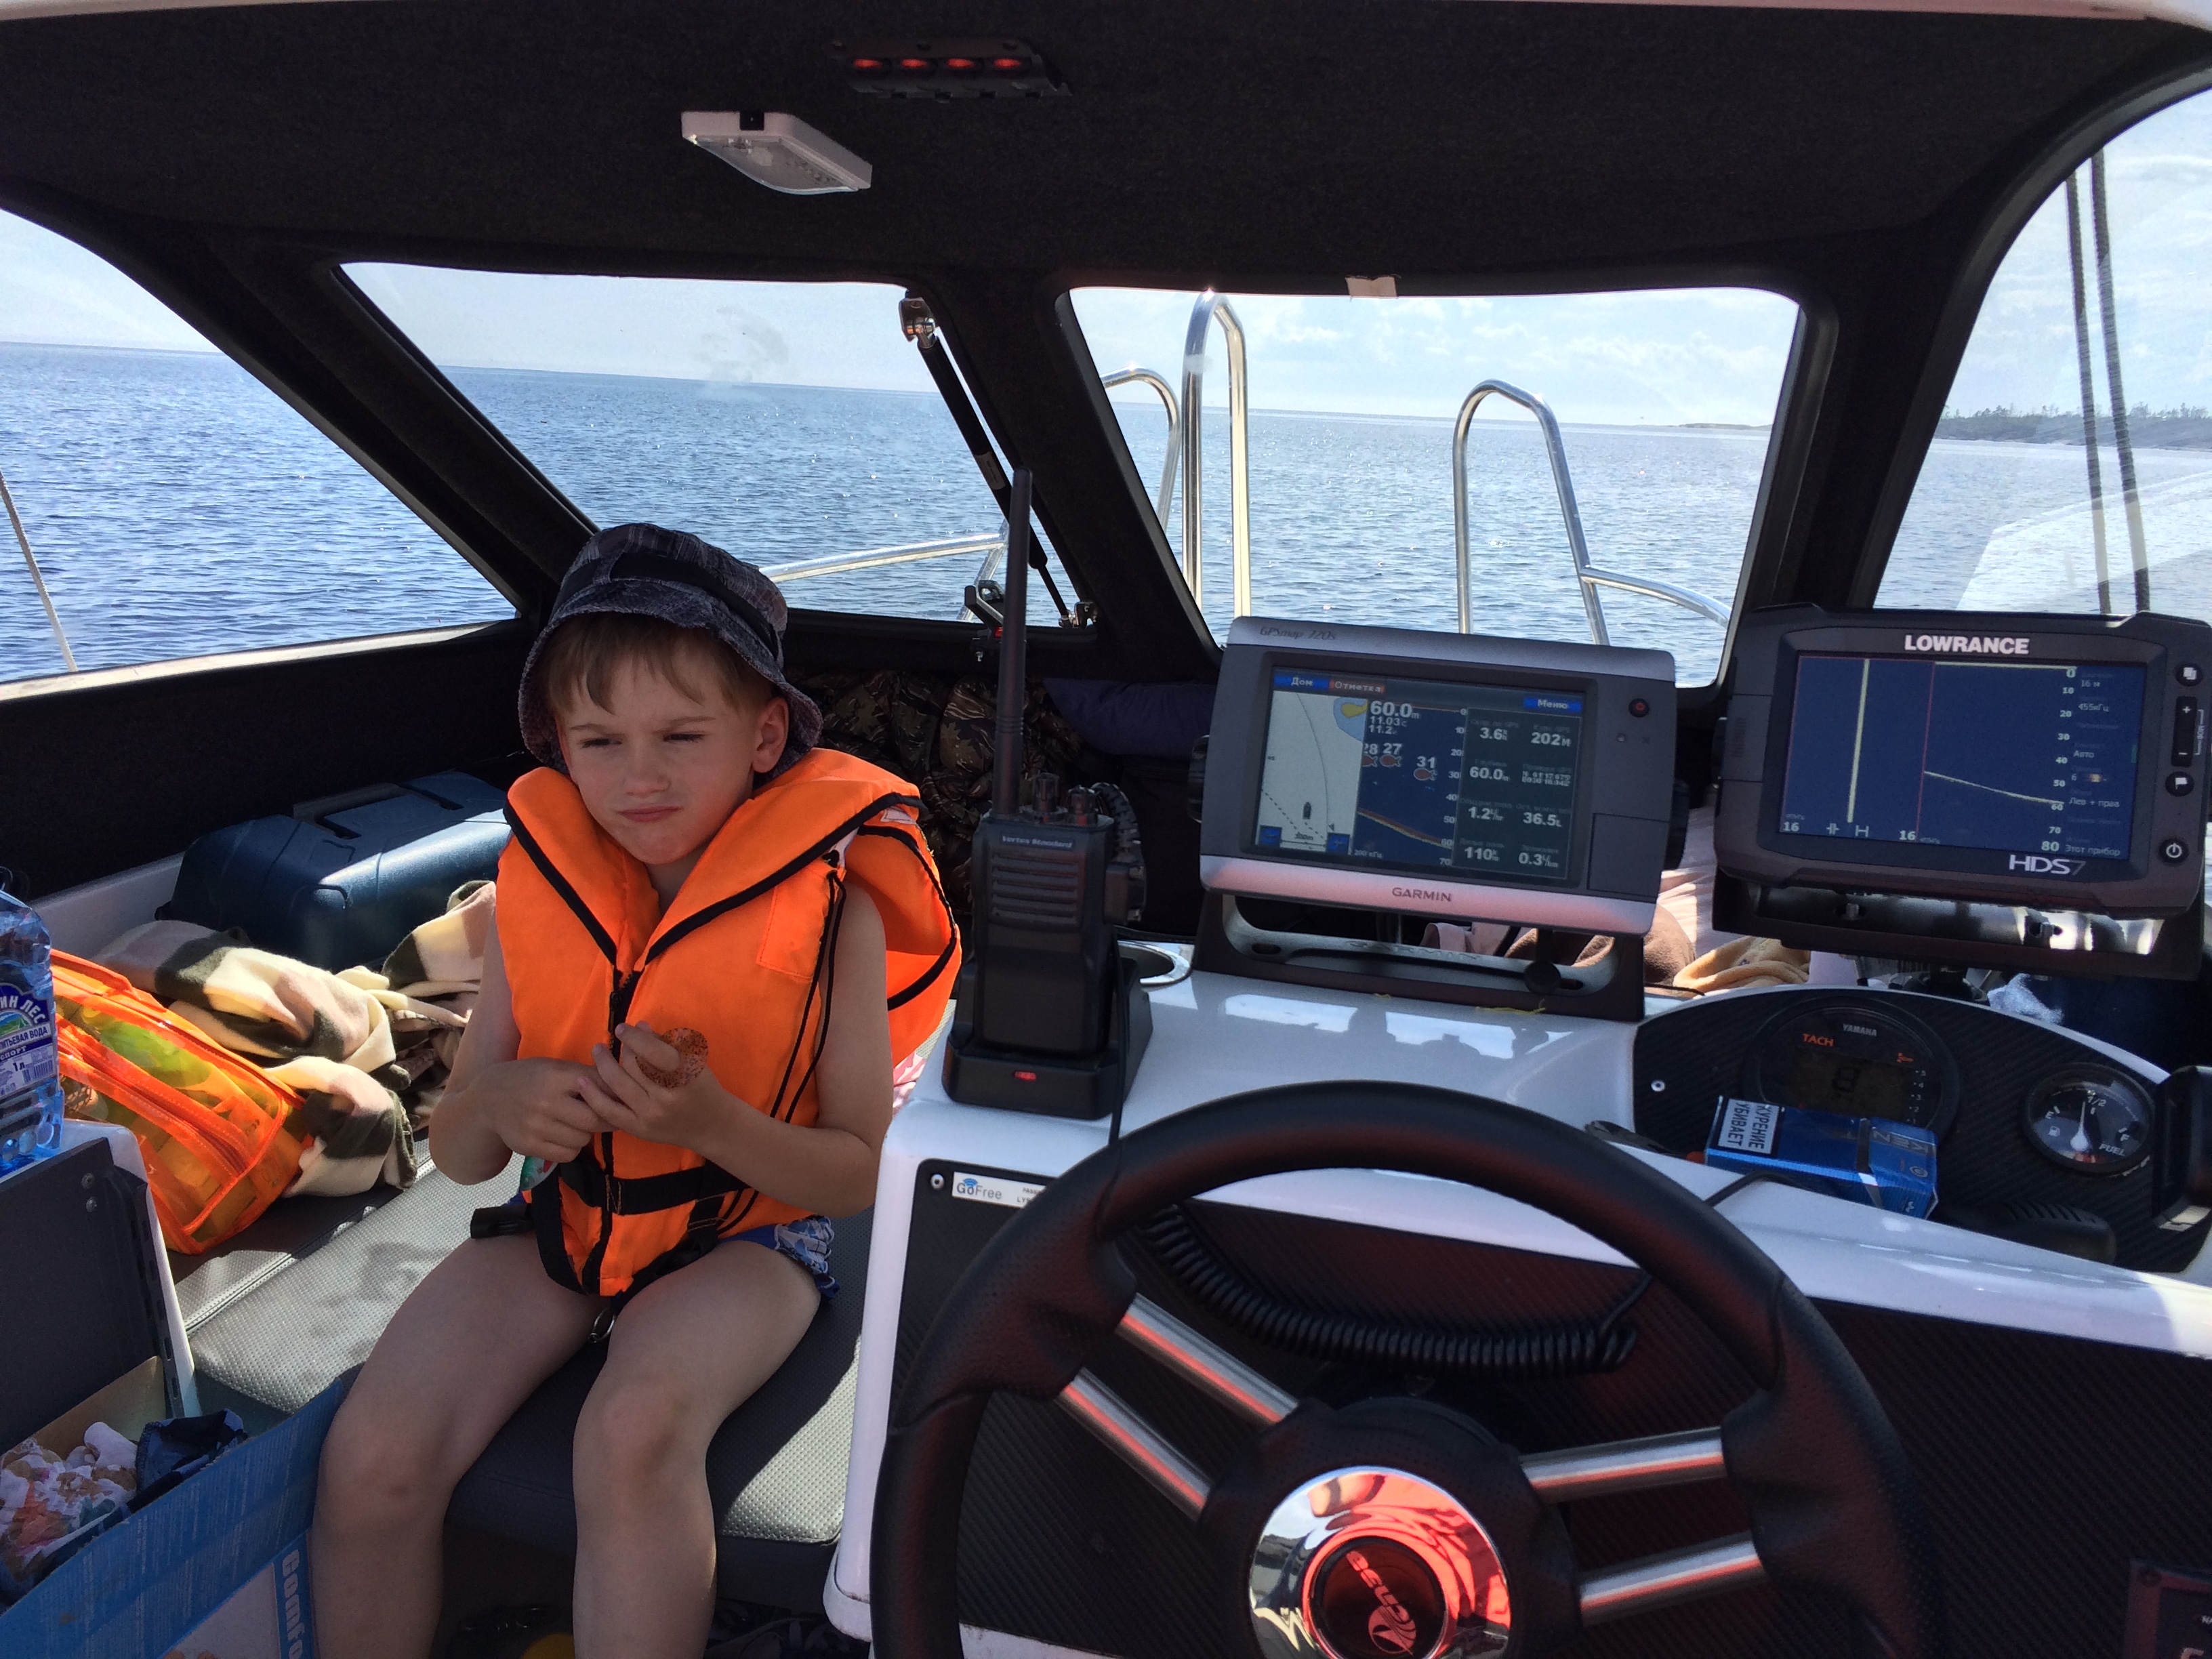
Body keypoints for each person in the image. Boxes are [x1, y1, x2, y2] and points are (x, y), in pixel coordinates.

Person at [310, 525, 960, 1659]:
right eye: (599, 741)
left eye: (681, 737)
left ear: (765, 737)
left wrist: (711, 1122)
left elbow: (855, 1173)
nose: (639, 777)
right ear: (559, 745)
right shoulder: (540, 887)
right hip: (567, 1211)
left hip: (758, 1236)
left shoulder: (838, 909)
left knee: (632, 1433)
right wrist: (497, 1102)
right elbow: (461, 1152)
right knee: (371, 1454)